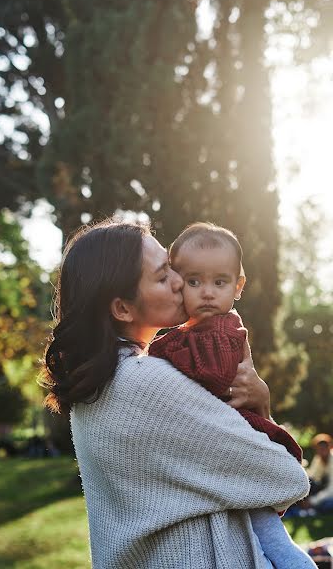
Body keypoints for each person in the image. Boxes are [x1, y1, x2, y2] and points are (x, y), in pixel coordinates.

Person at [39, 218, 310, 569]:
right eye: (163, 274)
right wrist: (263, 407)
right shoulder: (145, 383)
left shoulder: (101, 382)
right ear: (122, 308)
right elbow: (286, 477)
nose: (180, 281)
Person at [149, 222, 316, 569]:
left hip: (243, 441)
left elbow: (213, 374)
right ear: (178, 282)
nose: (207, 292)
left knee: (271, 537)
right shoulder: (194, 331)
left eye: (219, 282)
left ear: (238, 286)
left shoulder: (222, 329)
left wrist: (158, 352)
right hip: (228, 449)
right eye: (194, 281)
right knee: (262, 535)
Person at [306, 433, 333, 513]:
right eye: (320, 447)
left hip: (330, 492)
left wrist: (313, 501)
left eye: (325, 445)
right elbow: (312, 478)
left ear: (330, 446)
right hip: (326, 491)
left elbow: (332, 489)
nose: (322, 449)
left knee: (326, 506)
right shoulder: (318, 459)